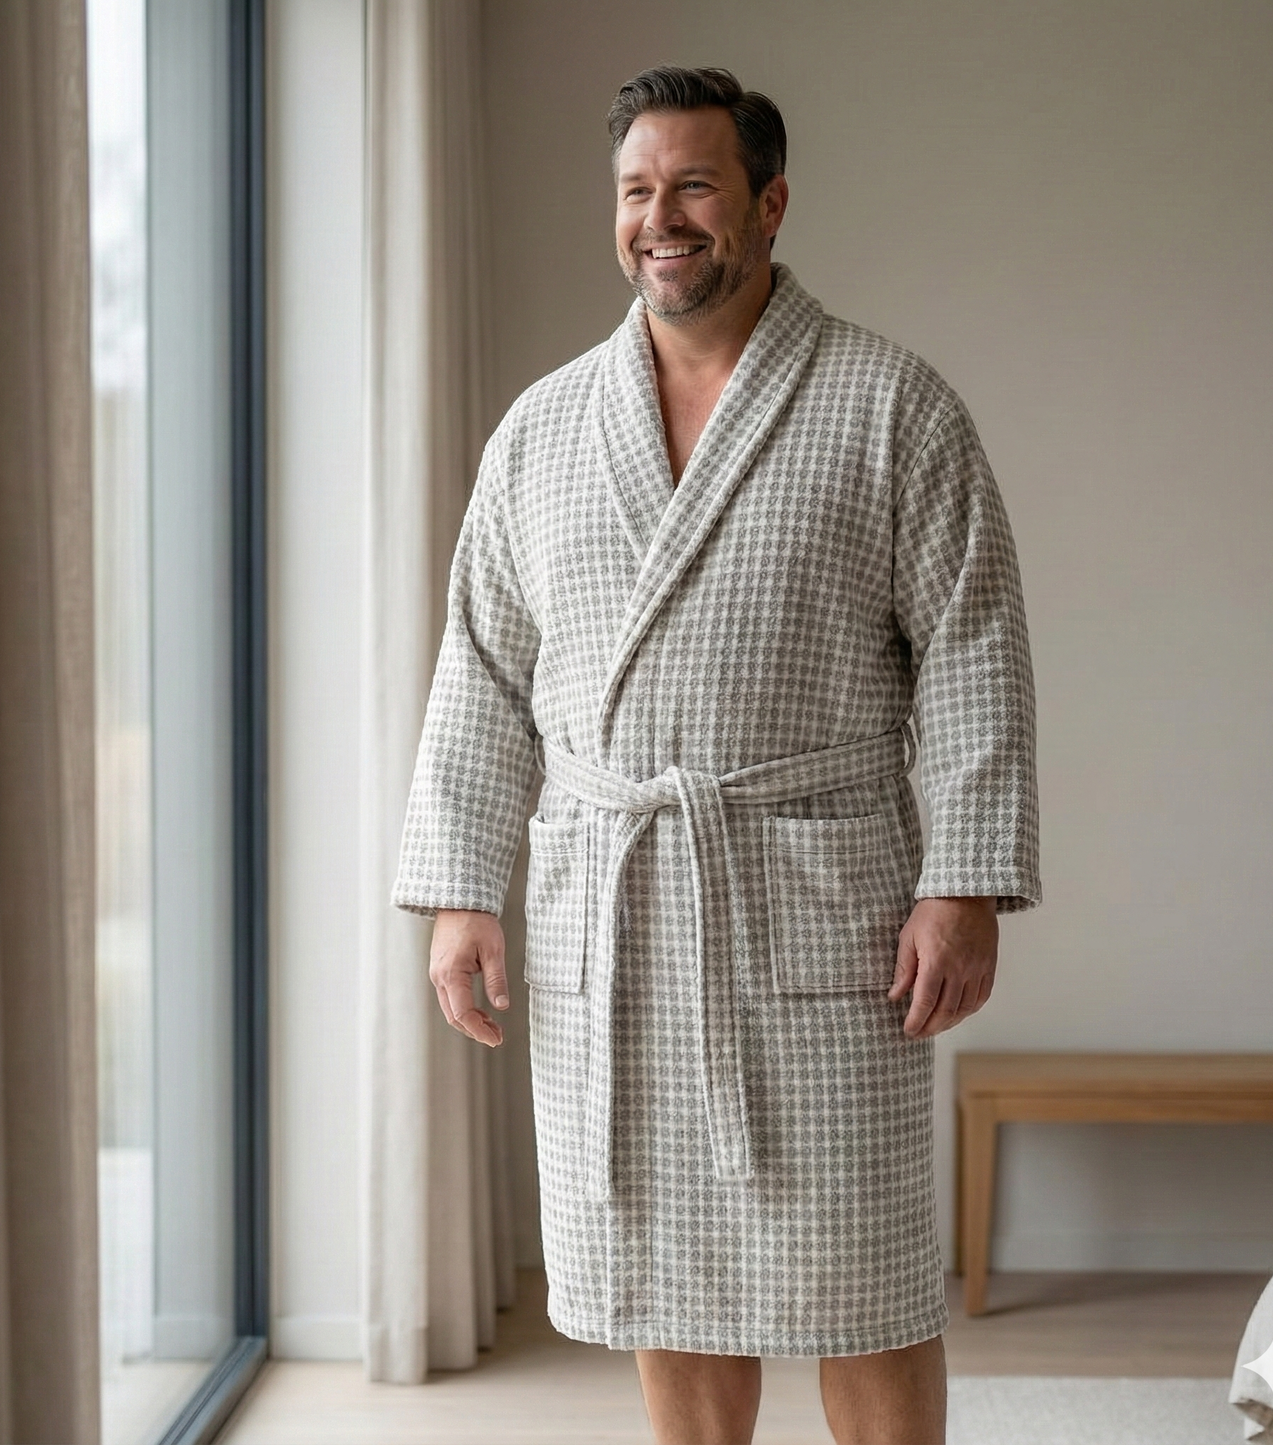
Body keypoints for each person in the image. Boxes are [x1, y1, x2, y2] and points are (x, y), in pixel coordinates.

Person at [394, 64, 1041, 1445]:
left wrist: (966, 882)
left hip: (820, 906)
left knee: (861, 1278)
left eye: (694, 184)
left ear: (768, 203)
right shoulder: (543, 431)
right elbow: (482, 674)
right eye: (637, 190)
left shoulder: (889, 405)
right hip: (612, 915)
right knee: (665, 1275)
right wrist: (462, 892)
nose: (661, 218)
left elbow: (975, 653)